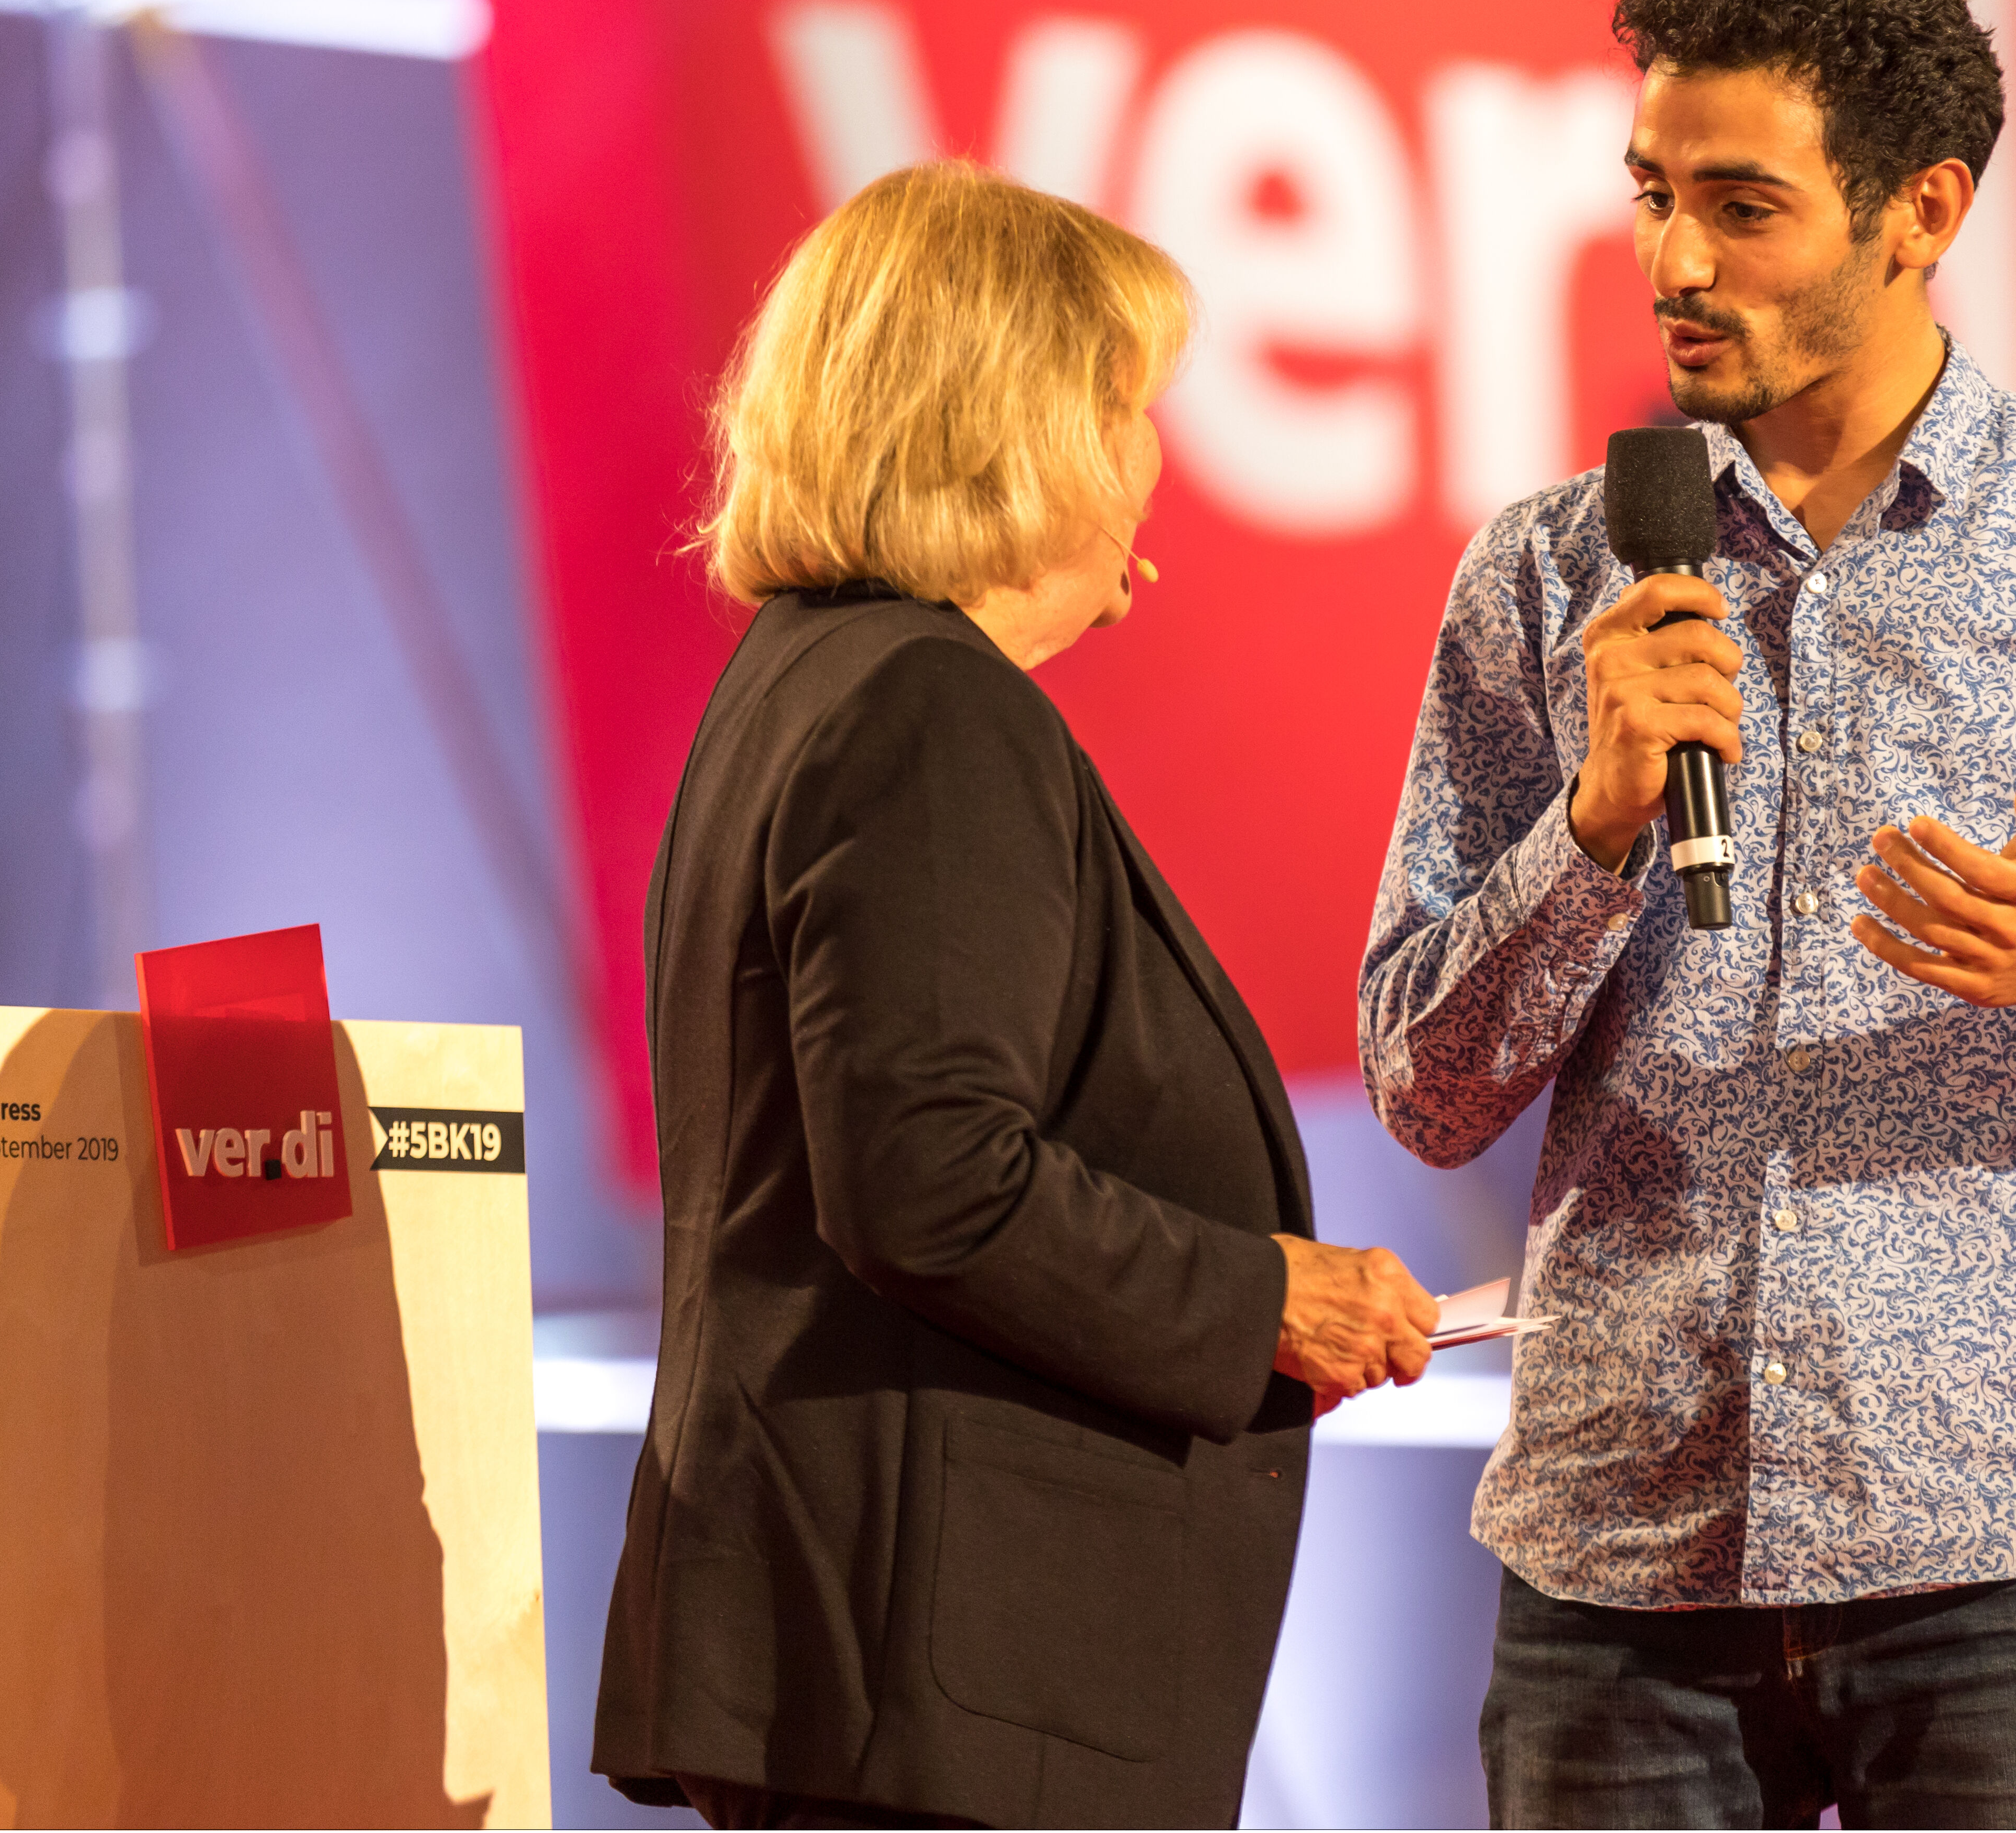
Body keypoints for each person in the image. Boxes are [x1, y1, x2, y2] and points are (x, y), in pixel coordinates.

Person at [1359, 0, 2016, 1829]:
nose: (1673, 261)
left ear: (1924, 211)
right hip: (1620, 1550)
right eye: (1652, 192)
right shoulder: (1548, 567)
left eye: (1742, 207)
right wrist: (1591, 836)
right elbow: (1424, 1085)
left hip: (2007, 1556)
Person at [597, 161, 1441, 1831]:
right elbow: (930, 1180)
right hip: (936, 1683)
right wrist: (1264, 1299)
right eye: (1128, 412)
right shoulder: (930, 707)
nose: (1149, 464)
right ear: (1024, 432)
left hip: (873, 1664)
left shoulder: (806, 682)